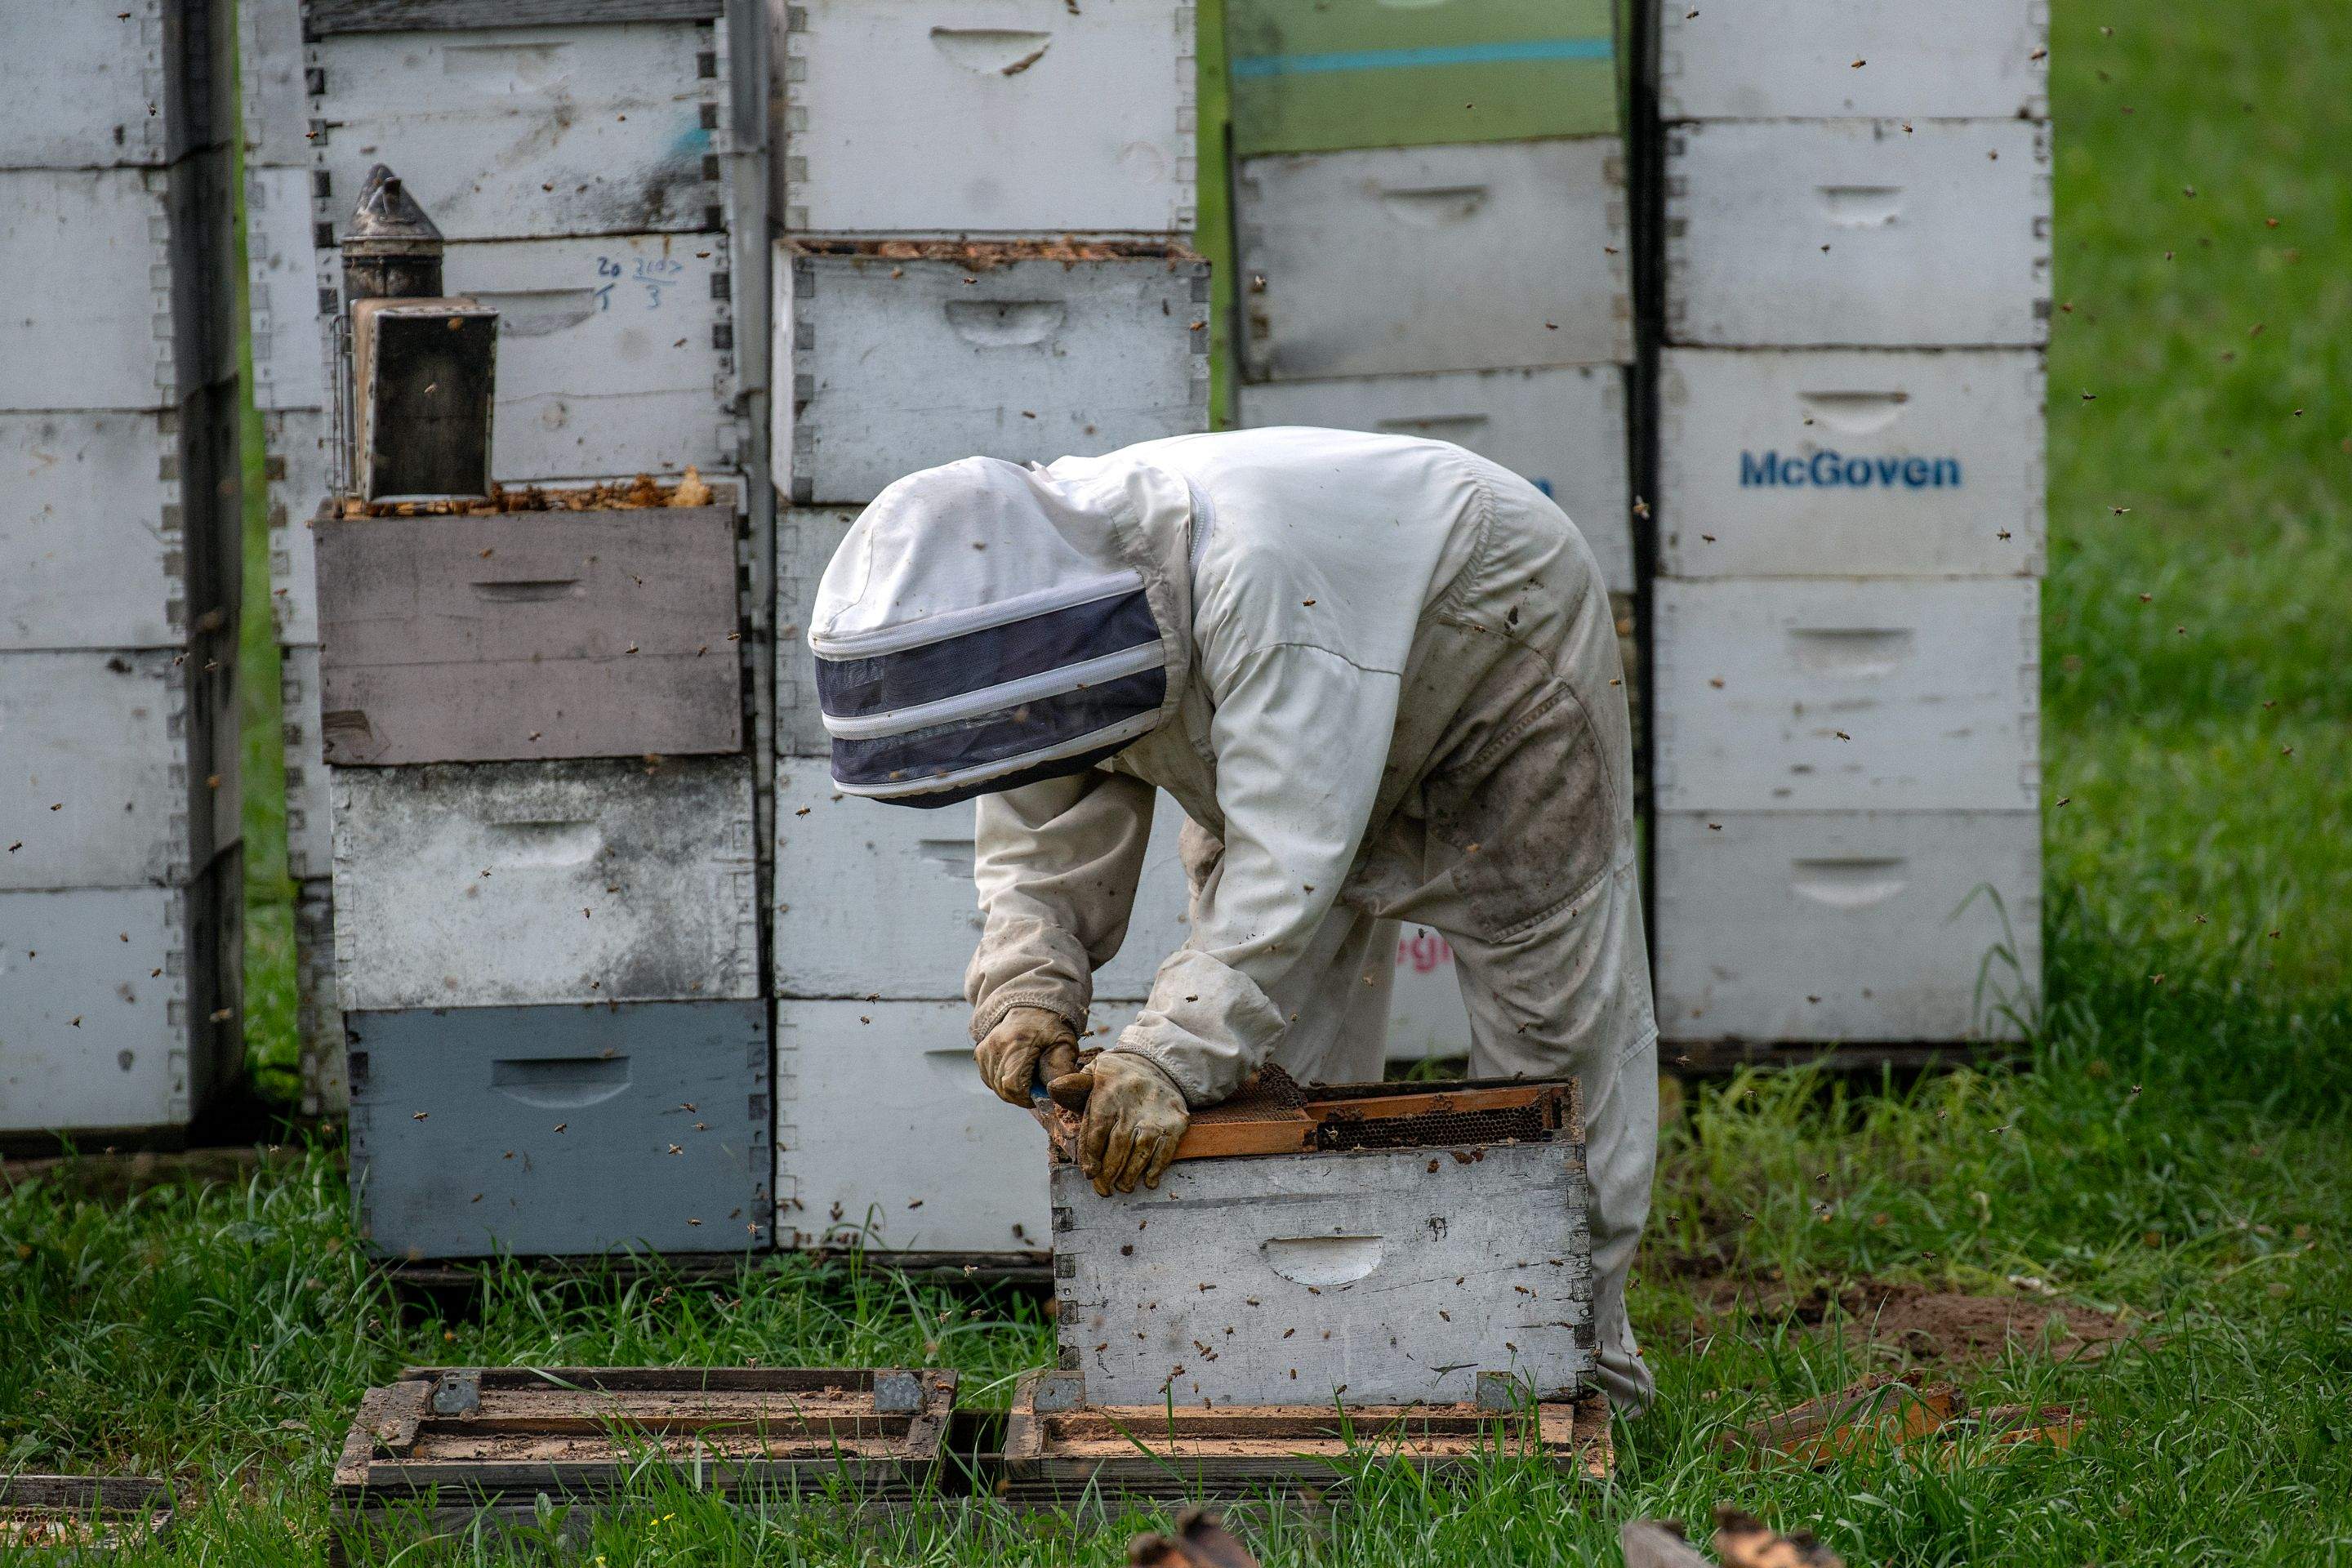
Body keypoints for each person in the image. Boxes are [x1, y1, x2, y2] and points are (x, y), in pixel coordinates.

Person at [806, 427, 1659, 1410]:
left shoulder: (1244, 573)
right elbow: (1044, 824)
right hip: (1295, 699)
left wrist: (1167, 1052)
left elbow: (1291, 849)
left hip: (1488, 637)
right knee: (1274, 1077)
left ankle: (1575, 1377)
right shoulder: (1038, 610)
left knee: (1549, 1034)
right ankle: (1312, 1373)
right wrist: (1027, 986)